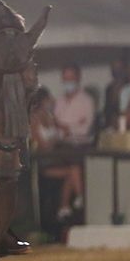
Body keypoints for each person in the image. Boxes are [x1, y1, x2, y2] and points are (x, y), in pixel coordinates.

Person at [30, 87, 84, 224]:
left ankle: (74, 201)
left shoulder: (51, 117)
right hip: (44, 163)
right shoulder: (33, 120)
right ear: (42, 101)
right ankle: (66, 205)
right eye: (49, 99)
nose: (52, 101)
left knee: (74, 169)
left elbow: (63, 130)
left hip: (56, 159)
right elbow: (41, 145)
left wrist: (75, 126)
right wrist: (56, 140)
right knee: (72, 172)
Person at [53, 65, 96, 142]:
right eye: (65, 79)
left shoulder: (87, 101)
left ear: (78, 78)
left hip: (80, 147)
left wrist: (67, 129)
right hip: (59, 145)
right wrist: (75, 125)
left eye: (71, 78)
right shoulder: (59, 101)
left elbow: (85, 128)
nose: (68, 81)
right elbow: (55, 125)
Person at [101, 60, 128, 133]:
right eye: (114, 69)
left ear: (125, 69)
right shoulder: (109, 88)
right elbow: (106, 110)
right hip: (111, 127)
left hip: (127, 126)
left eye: (119, 68)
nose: (117, 72)